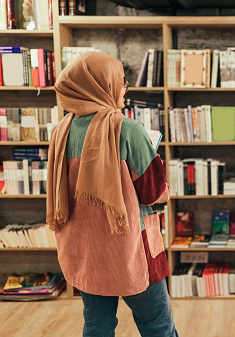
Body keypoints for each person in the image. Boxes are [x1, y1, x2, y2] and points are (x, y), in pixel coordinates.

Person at [46, 51, 178, 337]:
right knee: (157, 325)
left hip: (83, 250)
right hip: (132, 248)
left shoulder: (60, 131)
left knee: (97, 326)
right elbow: (153, 192)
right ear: (99, 85)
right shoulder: (129, 129)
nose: (124, 88)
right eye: (120, 81)